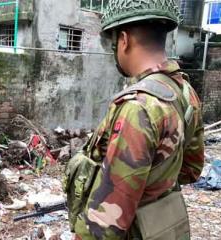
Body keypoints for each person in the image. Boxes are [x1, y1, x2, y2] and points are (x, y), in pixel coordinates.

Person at [64, 0, 205, 239]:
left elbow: (107, 222)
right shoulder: (184, 92)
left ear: (124, 40)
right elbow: (191, 169)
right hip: (164, 228)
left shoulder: (137, 107)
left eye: (113, 42)